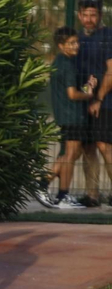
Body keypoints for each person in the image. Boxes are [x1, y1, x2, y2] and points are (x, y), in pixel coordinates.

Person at [38, 27, 95, 209]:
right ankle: (61, 195)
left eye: (76, 42)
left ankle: (44, 184)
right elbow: (72, 94)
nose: (76, 46)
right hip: (73, 116)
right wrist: (90, 93)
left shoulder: (58, 62)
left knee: (71, 154)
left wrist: (87, 86)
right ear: (61, 46)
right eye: (71, 43)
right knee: (70, 155)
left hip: (66, 115)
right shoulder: (68, 64)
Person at [76, 0, 112, 206]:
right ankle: (92, 195)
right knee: (87, 147)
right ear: (79, 15)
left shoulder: (108, 35)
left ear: (100, 15)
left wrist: (98, 98)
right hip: (84, 102)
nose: (89, 19)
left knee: (104, 146)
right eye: (85, 14)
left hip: (106, 101)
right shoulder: (77, 39)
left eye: (93, 14)